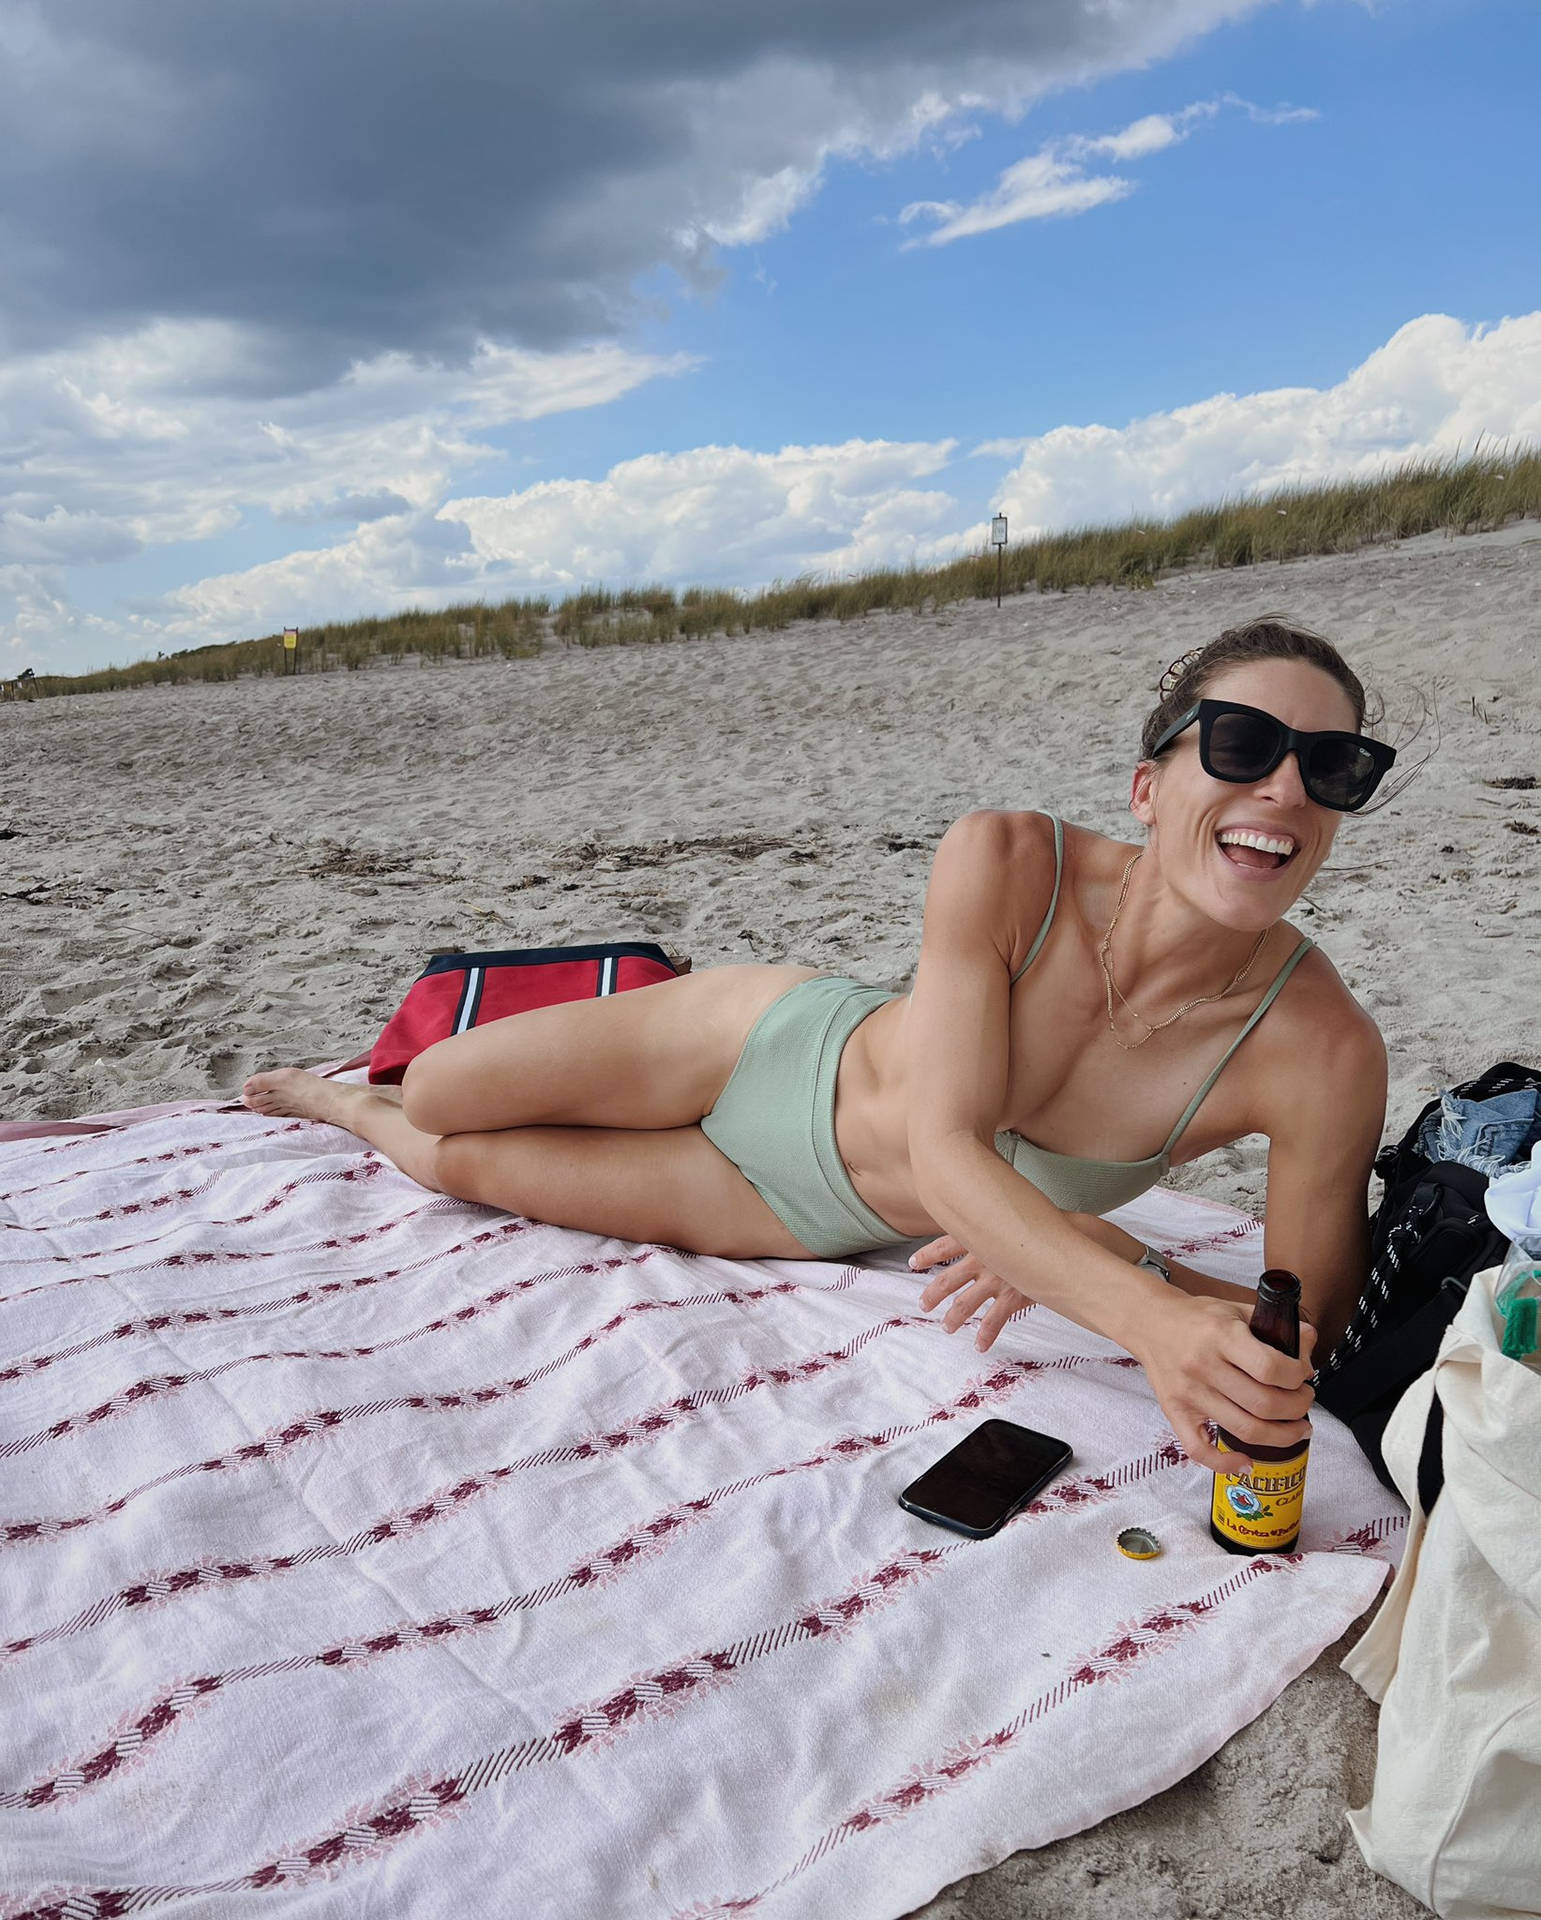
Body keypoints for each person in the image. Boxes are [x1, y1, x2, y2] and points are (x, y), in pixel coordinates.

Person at [244, 616, 1396, 1475]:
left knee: (455, 1164)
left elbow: (1311, 1325)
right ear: (1149, 786)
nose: (1285, 788)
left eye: (1331, 766)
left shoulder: (1319, 1050)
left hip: (806, 1211)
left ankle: (345, 1111)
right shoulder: (1007, 862)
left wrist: (1107, 1253)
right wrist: (1136, 1316)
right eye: (1242, 745)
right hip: (761, 1047)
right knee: (440, 1090)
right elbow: (945, 1149)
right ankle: (541, 1024)